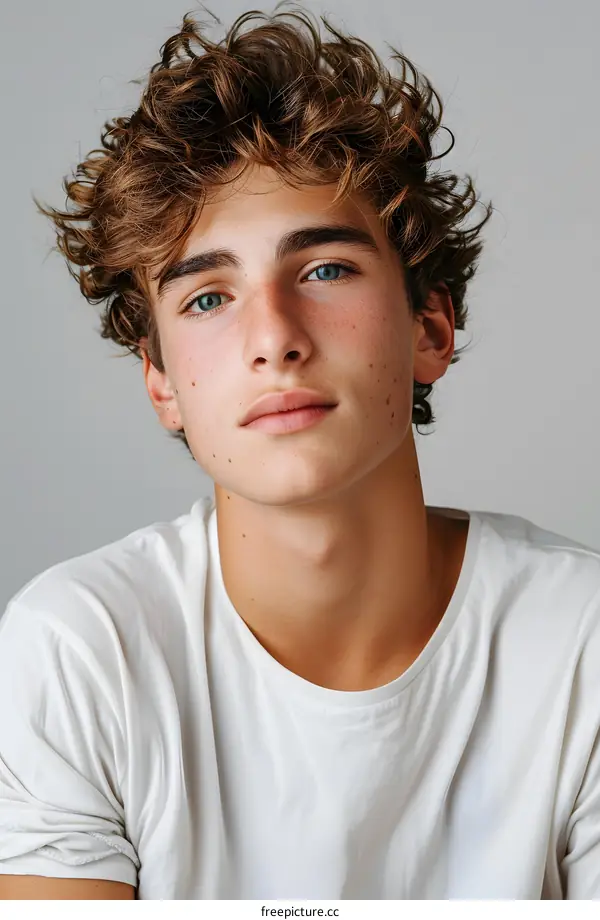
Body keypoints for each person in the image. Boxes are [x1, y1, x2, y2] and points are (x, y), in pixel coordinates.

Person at [1, 5, 599, 902]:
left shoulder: (582, 641)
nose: (273, 338)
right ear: (161, 382)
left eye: (324, 270)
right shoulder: (80, 652)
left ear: (430, 328)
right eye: (208, 298)